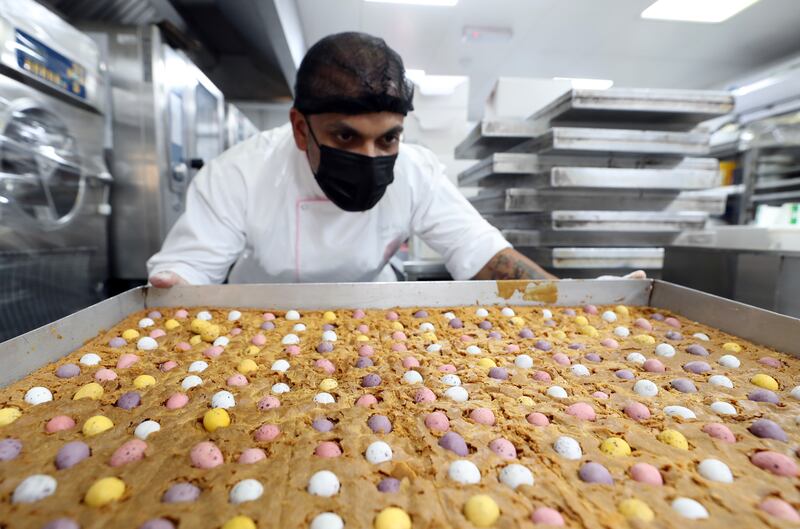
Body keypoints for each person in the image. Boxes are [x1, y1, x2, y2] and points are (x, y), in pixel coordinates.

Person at [147, 32, 640, 287]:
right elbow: (189, 270)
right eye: (345, 135)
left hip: (373, 313)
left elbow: (483, 254)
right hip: (260, 316)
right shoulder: (240, 173)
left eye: (387, 139)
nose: (370, 156)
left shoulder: (417, 171)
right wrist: (176, 286)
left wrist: (579, 301)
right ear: (301, 129)